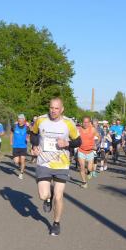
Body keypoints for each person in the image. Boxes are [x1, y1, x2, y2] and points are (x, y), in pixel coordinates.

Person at [29, 97, 81, 236]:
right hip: (44, 162)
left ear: (62, 109)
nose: (53, 111)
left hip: (61, 163)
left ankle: (56, 223)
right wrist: (34, 146)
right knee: (43, 195)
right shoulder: (41, 120)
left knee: (59, 197)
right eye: (51, 108)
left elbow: (78, 141)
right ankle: (48, 197)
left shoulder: (68, 123)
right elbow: (33, 134)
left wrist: (67, 143)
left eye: (56, 108)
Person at [76, 116, 98, 188]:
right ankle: (84, 182)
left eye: (87, 122)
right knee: (82, 167)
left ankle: (89, 172)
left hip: (90, 151)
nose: (85, 124)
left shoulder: (93, 129)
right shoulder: (79, 129)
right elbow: (73, 137)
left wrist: (96, 145)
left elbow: (99, 137)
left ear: (89, 123)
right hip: (81, 151)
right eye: (84, 122)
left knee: (89, 168)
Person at [10, 113, 30, 179]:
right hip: (15, 146)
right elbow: (11, 134)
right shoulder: (14, 126)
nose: (19, 120)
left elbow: (29, 135)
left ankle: (21, 173)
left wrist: (28, 138)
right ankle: (20, 165)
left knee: (22, 160)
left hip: (23, 146)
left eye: (21, 119)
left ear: (24, 120)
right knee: (16, 161)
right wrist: (11, 141)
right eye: (19, 119)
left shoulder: (27, 127)